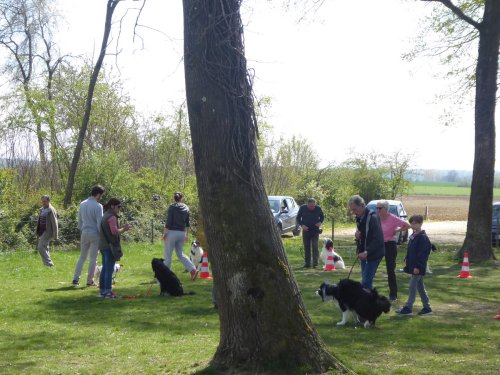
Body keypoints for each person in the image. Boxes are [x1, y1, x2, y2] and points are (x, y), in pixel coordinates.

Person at [396, 214, 433, 316]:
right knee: (420, 287)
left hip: (418, 267)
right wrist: (407, 258)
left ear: (420, 223)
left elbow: (422, 254)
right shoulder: (413, 236)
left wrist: (417, 267)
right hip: (413, 266)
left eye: (415, 223)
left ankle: (408, 307)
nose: (412, 225)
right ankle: (427, 307)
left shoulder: (422, 238)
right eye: (411, 223)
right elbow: (411, 250)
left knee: (412, 286)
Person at [376, 200, 411, 302]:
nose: (377, 210)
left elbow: (407, 225)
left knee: (390, 270)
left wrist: (397, 230)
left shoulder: (393, 218)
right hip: (378, 245)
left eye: (380, 208)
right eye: (377, 208)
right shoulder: (376, 218)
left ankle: (393, 294)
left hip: (390, 245)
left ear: (386, 209)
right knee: (372, 266)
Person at [348, 195, 384, 290]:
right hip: (363, 253)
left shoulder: (373, 217)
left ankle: (369, 303)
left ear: (362, 206)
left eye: (355, 209)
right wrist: (358, 236)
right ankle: (370, 303)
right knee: (365, 280)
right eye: (352, 210)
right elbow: (364, 235)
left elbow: (378, 239)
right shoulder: (359, 217)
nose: (353, 212)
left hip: (373, 254)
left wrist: (366, 252)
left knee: (366, 282)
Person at [98, 198, 132, 298]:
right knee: (109, 269)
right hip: (110, 246)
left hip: (103, 245)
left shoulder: (105, 215)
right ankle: (108, 292)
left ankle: (102, 291)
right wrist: (124, 229)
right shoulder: (112, 217)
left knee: (104, 269)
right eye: (119, 207)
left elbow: (111, 229)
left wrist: (120, 227)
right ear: (112, 206)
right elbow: (114, 232)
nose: (119, 209)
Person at [72, 185, 105, 286]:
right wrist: (102, 236)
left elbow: (79, 221)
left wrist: (83, 229)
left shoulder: (82, 204)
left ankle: (76, 278)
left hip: (84, 232)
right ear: (98, 194)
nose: (101, 197)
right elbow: (100, 223)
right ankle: (90, 280)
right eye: (101, 195)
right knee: (93, 258)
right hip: (94, 232)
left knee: (82, 257)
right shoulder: (98, 206)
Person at [162, 192, 198, 280]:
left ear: (174, 198)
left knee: (168, 255)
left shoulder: (172, 207)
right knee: (180, 254)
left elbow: (168, 222)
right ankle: (193, 269)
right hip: (182, 233)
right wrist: (187, 235)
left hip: (172, 232)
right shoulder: (186, 207)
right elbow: (187, 223)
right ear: (181, 198)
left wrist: (164, 233)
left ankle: (166, 276)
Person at [296, 198, 324, 268]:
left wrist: (320, 222)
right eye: (310, 206)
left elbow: (322, 216)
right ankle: (307, 263)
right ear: (307, 204)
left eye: (313, 206)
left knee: (315, 246)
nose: (312, 208)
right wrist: (302, 225)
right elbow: (298, 218)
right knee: (307, 246)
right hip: (306, 230)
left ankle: (315, 263)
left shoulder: (318, 208)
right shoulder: (303, 208)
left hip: (315, 230)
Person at [36, 195, 59, 267]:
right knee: (45, 247)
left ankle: (49, 263)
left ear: (48, 201)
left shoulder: (51, 210)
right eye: (42, 201)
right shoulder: (42, 209)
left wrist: (56, 235)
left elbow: (54, 223)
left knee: (40, 247)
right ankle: (47, 265)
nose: (43, 203)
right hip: (42, 231)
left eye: (45, 201)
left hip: (48, 231)